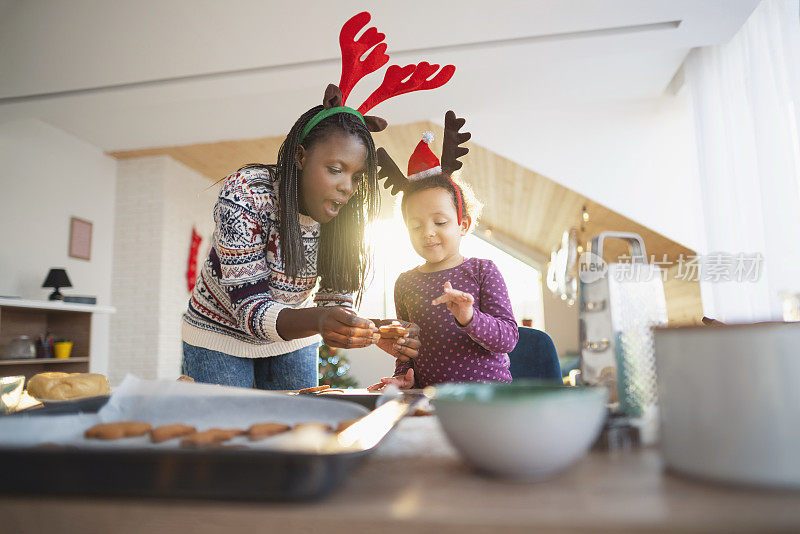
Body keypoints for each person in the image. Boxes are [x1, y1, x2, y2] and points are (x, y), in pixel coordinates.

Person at [181, 11, 456, 389]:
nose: (348, 187)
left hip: (293, 335)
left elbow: (332, 301)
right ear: (300, 157)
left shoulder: (344, 215)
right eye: (335, 169)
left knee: (298, 433)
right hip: (220, 337)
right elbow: (251, 310)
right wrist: (320, 321)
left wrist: (376, 330)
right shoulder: (246, 193)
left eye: (357, 177)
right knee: (232, 438)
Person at [369, 113, 519, 389]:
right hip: (431, 399)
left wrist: (469, 317)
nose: (428, 232)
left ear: (463, 224)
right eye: (416, 226)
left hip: (487, 398)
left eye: (440, 222)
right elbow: (408, 345)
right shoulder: (406, 282)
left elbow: (508, 338)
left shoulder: (482, 270)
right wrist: (404, 374)